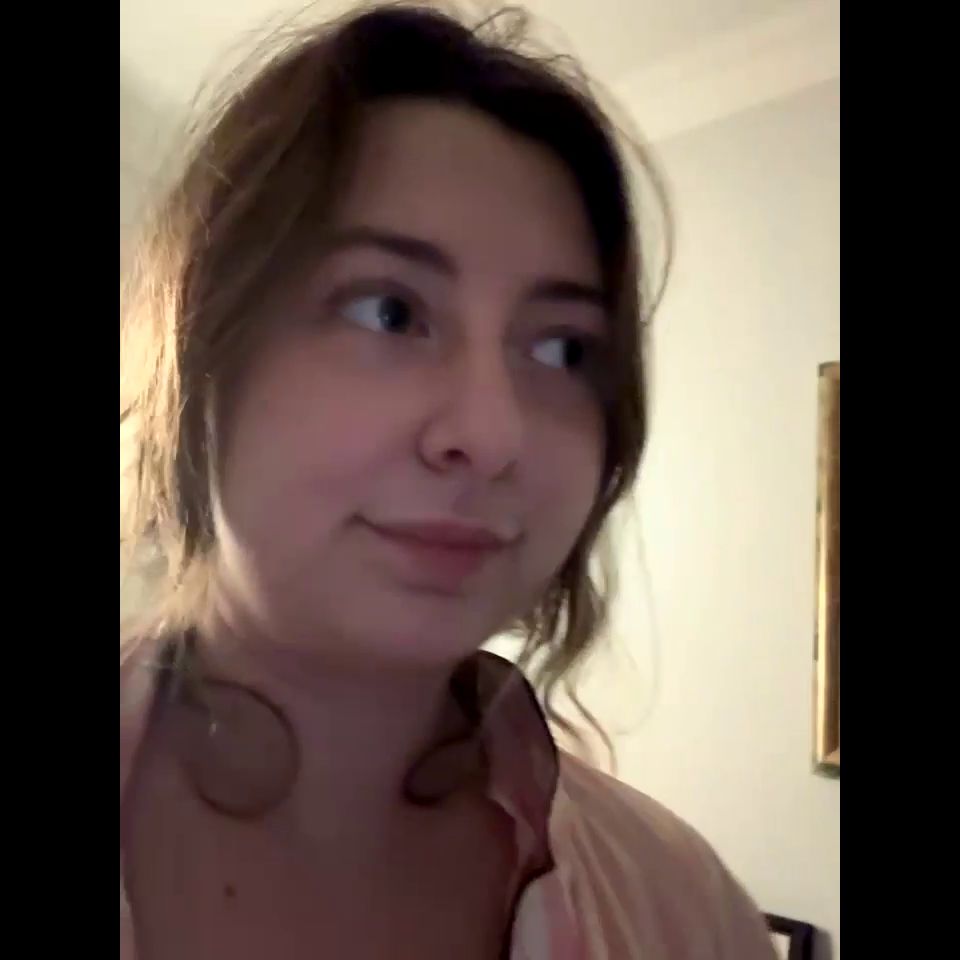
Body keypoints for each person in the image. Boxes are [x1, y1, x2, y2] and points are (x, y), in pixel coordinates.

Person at [119, 4, 777, 957]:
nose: (493, 433)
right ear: (203, 351)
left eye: (562, 348)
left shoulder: (682, 909)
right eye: (390, 311)